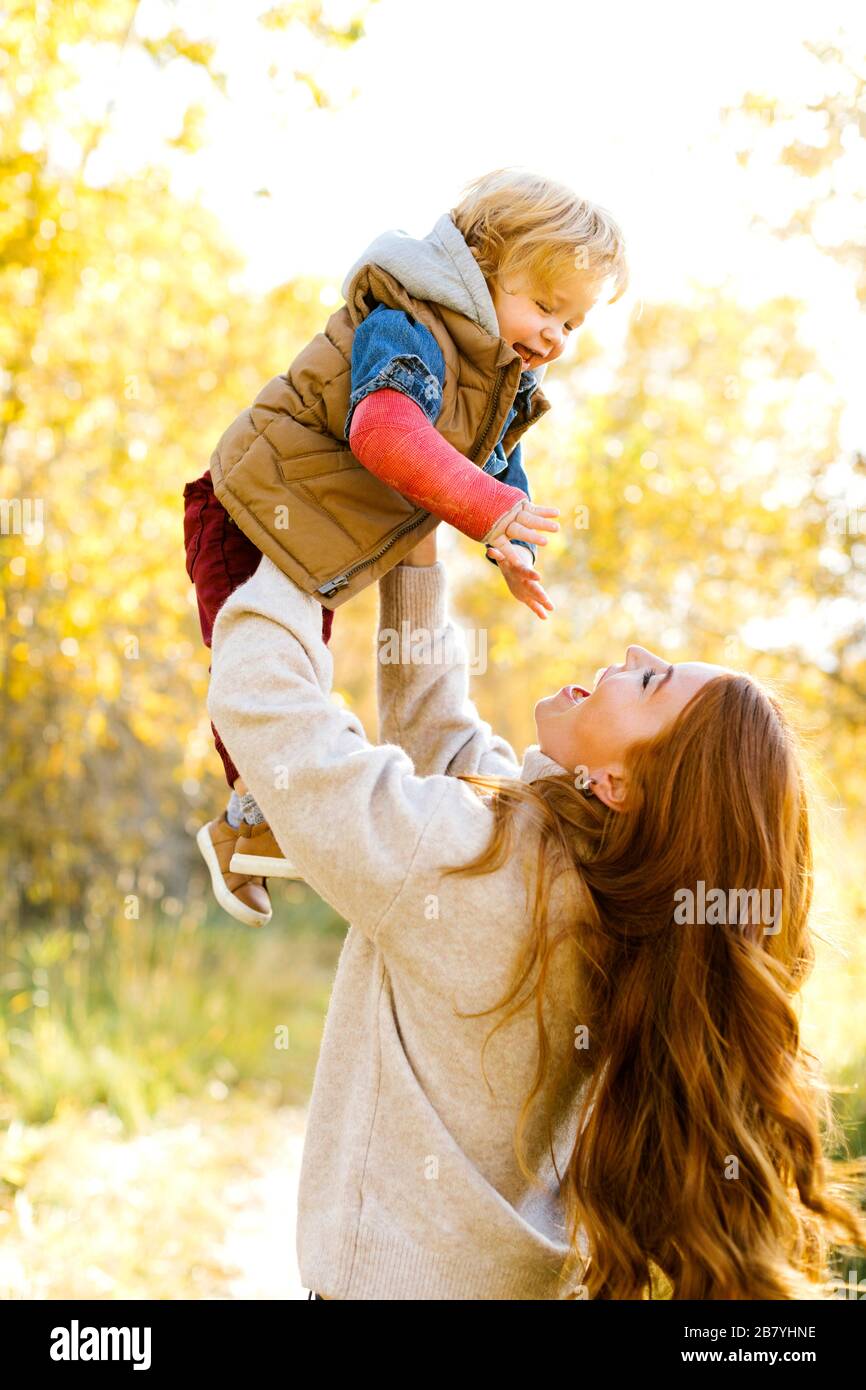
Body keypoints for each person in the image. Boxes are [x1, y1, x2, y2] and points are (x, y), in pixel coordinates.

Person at [206, 526, 866, 1300]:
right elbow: (447, 753)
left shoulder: (489, 873)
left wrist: (306, 544)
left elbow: (275, 719)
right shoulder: (593, 884)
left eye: (651, 683)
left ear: (618, 785)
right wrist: (415, 554)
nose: (632, 654)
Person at [183, 167, 627, 925]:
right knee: (269, 676)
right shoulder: (407, 321)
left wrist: (511, 549)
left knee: (295, 671)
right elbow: (386, 433)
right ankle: (244, 821)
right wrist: (487, 511)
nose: (555, 335)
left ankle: (249, 824)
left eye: (573, 325)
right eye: (546, 307)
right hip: (249, 505)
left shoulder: (497, 380)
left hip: (309, 535)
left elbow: (493, 469)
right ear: (482, 269)